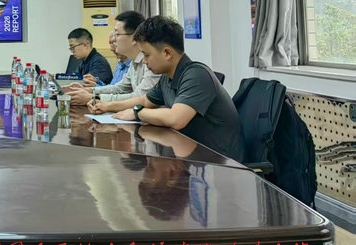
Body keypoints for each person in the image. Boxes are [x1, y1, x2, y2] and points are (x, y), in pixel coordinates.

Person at [89, 15, 245, 163]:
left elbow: (176, 119)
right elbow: (145, 100)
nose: (144, 61)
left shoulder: (197, 75)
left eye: (146, 55)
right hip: (192, 156)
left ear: (167, 53)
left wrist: (138, 113)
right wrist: (107, 106)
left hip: (221, 162)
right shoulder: (167, 76)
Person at [65, 11, 160, 105]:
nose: (114, 39)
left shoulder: (151, 61)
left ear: (134, 37)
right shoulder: (134, 61)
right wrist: (88, 90)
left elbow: (140, 97)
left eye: (117, 34)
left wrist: (93, 98)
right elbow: (119, 88)